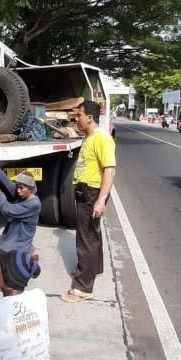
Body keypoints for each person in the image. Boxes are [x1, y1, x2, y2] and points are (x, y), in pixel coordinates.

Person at [61, 101, 116, 303]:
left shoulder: (102, 138)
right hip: (86, 192)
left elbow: (109, 170)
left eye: (80, 116)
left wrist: (101, 200)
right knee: (92, 234)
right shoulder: (90, 137)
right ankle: (95, 268)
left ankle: (83, 288)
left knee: (85, 240)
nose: (77, 119)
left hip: (92, 193)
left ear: (90, 118)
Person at [0, 155, 41, 277]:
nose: (18, 190)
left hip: (16, 243)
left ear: (30, 189)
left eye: (21, 188)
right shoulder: (23, 195)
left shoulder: (33, 204)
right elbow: (8, 183)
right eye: (17, 187)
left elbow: (6, 209)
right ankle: (13, 261)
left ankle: (30, 264)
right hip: (9, 238)